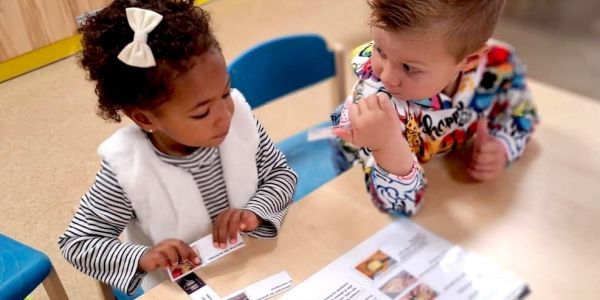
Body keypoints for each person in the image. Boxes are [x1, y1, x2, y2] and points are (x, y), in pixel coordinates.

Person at [58, 0, 297, 294]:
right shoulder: (127, 168)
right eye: (201, 113)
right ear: (145, 118)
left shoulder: (240, 121)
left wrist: (255, 211)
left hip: (254, 262)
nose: (225, 115)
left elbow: (281, 175)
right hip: (183, 286)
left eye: (225, 93)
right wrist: (143, 257)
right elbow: (78, 243)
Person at [332, 0, 538, 216]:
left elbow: (523, 113)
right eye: (380, 51)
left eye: (409, 67)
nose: (387, 77)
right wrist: (388, 145)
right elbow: (399, 207)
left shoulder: (499, 64)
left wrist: (504, 146)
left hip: (442, 165)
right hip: (359, 179)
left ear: (470, 60)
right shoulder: (375, 102)